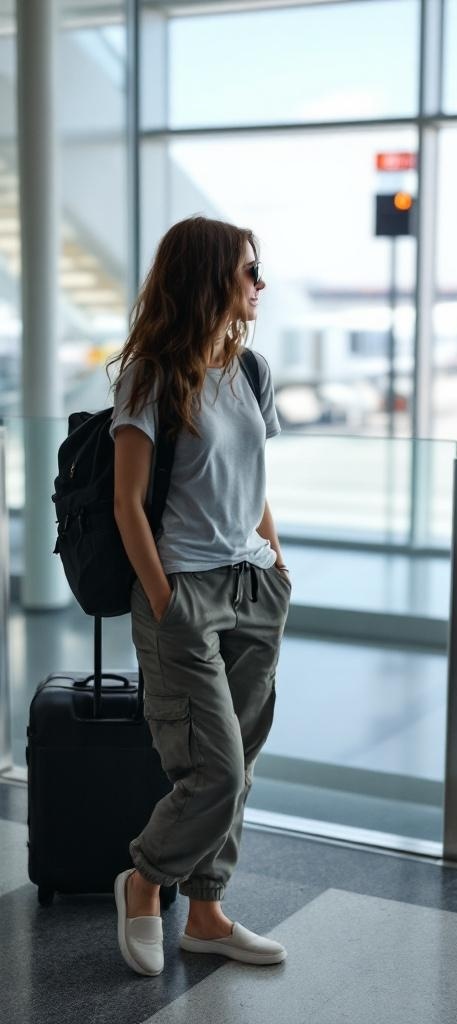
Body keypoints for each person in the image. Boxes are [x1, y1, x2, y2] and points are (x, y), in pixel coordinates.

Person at [108, 215, 291, 976]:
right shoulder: (152, 373)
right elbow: (128, 503)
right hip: (184, 593)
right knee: (213, 768)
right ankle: (145, 882)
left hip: (253, 589)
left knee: (241, 765)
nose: (260, 284)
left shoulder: (251, 372)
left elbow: (251, 484)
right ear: (212, 277)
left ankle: (207, 912)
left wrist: (277, 562)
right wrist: (163, 599)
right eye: (250, 270)